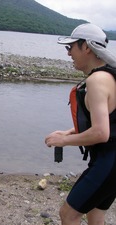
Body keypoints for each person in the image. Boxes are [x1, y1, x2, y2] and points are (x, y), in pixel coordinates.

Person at [45, 23, 116, 225]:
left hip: (109, 161)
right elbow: (110, 123)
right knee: (95, 213)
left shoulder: (97, 80)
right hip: (110, 159)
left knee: (68, 215)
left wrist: (64, 141)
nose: (68, 54)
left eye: (70, 47)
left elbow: (101, 133)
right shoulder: (110, 74)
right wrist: (69, 133)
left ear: (87, 47)